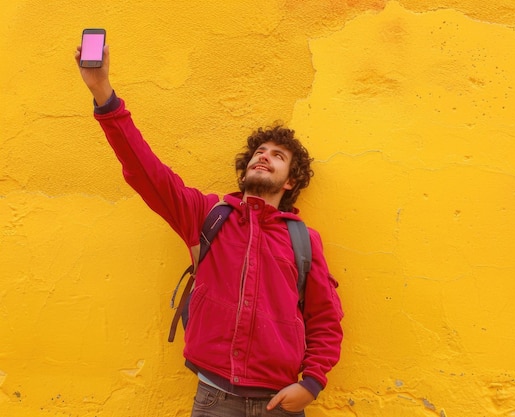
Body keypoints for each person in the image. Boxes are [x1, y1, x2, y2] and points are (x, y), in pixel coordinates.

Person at [75, 44, 343, 417]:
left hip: (280, 402)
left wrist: (312, 383)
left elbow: (326, 319)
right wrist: (103, 93)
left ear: (290, 182)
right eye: (259, 152)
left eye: (277, 156)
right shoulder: (208, 215)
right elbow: (145, 170)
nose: (264, 156)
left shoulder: (304, 241)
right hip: (215, 399)